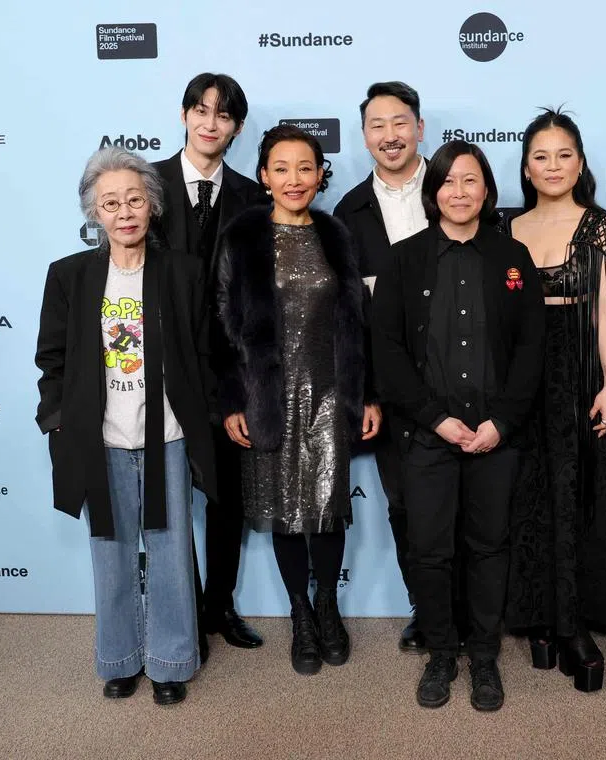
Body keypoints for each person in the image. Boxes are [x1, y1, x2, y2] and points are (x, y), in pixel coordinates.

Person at [35, 146, 218, 705]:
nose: (124, 211)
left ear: (152, 205)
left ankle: (169, 662)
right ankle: (118, 659)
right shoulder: (69, 276)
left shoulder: (184, 274)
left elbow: (207, 354)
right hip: (101, 440)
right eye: (110, 202)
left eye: (134, 199)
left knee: (169, 555)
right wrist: (60, 423)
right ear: (94, 213)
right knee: (110, 553)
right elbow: (53, 358)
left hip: (166, 436)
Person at [372, 140, 546, 711]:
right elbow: (389, 353)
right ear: (433, 191)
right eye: (448, 182)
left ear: (488, 190)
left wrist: (502, 420)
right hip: (428, 435)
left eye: (471, 181)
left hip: (498, 436)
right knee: (429, 550)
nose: (459, 192)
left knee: (489, 547)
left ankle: (485, 658)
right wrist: (437, 419)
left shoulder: (513, 257)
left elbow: (530, 351)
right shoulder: (403, 260)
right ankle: (442, 654)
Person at [215, 124, 380, 676]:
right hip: (268, 397)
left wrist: (368, 394)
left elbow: (358, 323)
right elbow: (222, 324)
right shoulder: (241, 237)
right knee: (287, 514)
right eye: (281, 168)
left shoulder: (337, 234)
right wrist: (233, 399)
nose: (294, 179)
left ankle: (329, 607)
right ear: (264, 176)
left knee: (328, 512)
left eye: (305, 168)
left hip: (332, 393)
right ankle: (301, 615)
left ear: (320, 175)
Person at [502, 109, 606, 692]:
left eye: (564, 155)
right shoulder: (506, 230)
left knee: (581, 491)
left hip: (584, 370)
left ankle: (575, 624)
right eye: (541, 156)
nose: (553, 166)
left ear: (581, 163)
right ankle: (537, 616)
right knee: (528, 494)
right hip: (521, 376)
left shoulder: (601, 227)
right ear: (527, 167)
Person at [152, 72, 267, 655]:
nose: (209, 123)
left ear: (237, 128)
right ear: (183, 115)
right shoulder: (146, 186)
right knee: (167, 498)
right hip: (157, 370)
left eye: (222, 115)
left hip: (228, 374)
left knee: (226, 498)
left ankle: (218, 606)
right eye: (200, 110)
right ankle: (178, 612)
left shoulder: (252, 196)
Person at [333, 81, 430, 652]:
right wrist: (367, 391)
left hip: (463, 380)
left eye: (400, 122)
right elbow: (348, 318)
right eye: (377, 125)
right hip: (391, 390)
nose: (390, 135)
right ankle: (426, 606)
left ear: (419, 127)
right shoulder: (348, 213)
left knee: (472, 499)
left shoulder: (455, 188)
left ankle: (475, 606)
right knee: (404, 503)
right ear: (364, 136)